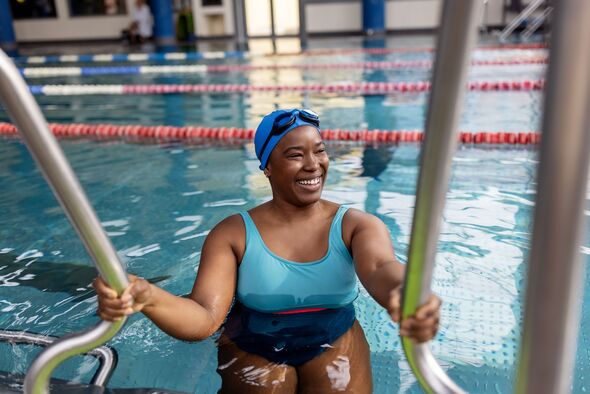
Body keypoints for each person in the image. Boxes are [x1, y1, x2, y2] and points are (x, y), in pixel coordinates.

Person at [94, 109, 441, 393]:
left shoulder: (356, 226)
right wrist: (150, 297)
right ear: (267, 167)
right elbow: (204, 318)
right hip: (251, 340)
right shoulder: (232, 234)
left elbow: (381, 267)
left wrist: (409, 292)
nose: (313, 165)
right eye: (294, 155)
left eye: (319, 150)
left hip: (334, 333)